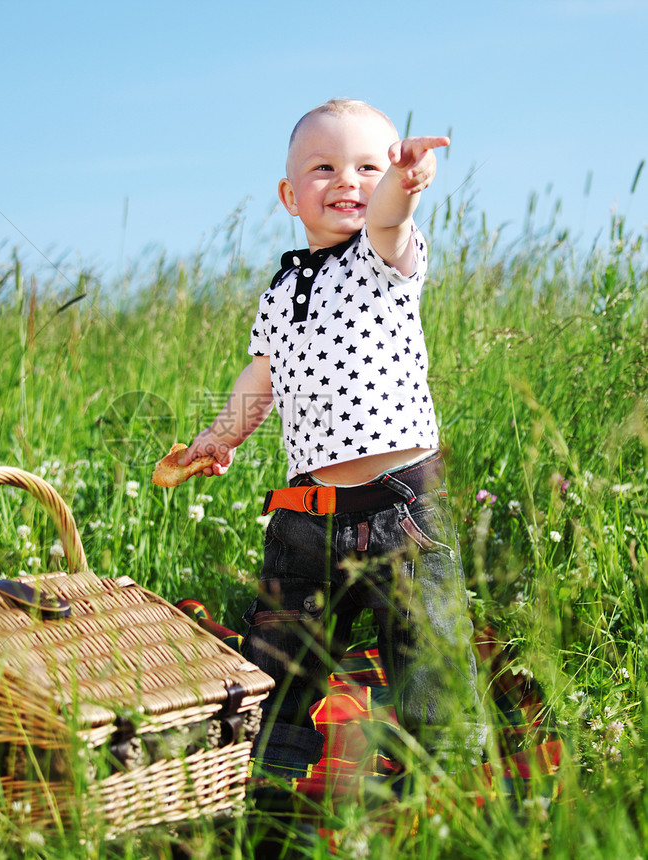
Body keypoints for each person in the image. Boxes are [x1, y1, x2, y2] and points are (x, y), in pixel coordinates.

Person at [182, 99, 484, 778]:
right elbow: (261, 374)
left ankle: (445, 787)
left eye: (367, 166)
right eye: (324, 167)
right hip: (309, 520)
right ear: (291, 195)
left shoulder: (383, 259)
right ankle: (268, 779)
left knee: (427, 655)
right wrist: (221, 434)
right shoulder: (281, 288)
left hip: (403, 511)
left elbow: (388, 218)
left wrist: (402, 184)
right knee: (281, 661)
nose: (348, 180)